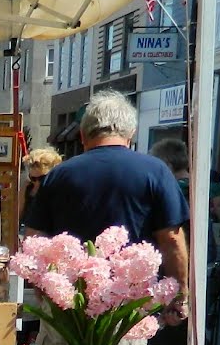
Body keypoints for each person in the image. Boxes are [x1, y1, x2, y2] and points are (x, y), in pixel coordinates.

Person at [25, 92, 189, 313]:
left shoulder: (58, 175)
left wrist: (44, 291)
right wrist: (179, 297)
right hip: (131, 306)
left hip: (70, 306)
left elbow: (35, 238)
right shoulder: (155, 171)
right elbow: (171, 240)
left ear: (82, 135)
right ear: (131, 133)